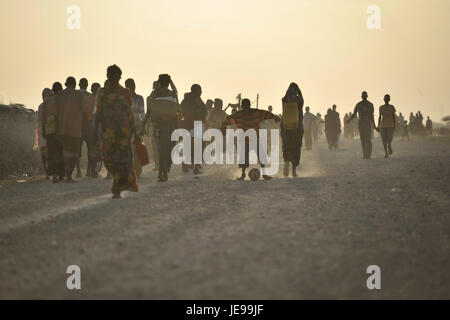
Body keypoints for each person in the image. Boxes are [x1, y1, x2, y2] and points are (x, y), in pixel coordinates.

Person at [95, 65, 140, 198]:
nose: (113, 78)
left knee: (121, 160)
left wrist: (135, 133)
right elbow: (98, 112)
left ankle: (117, 185)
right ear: (107, 76)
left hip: (123, 132)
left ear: (120, 77)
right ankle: (117, 182)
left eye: (116, 75)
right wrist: (94, 130)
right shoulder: (102, 92)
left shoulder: (125, 92)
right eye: (111, 75)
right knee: (108, 158)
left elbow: (129, 114)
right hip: (107, 131)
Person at [221, 98, 280, 180]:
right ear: (243, 106)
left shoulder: (253, 113)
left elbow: (266, 114)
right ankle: (244, 174)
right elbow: (227, 120)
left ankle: (262, 174)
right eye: (244, 106)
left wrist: (274, 117)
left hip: (255, 140)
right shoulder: (242, 114)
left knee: (261, 157)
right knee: (245, 158)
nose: (245, 108)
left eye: (246, 106)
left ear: (247, 106)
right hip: (246, 141)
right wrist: (223, 128)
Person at [141, 74, 180, 182]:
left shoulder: (154, 94)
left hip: (158, 126)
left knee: (161, 149)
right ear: (169, 83)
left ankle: (162, 171)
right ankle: (163, 171)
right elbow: (176, 111)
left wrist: (143, 125)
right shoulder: (172, 94)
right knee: (169, 148)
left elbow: (149, 110)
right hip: (170, 126)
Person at [54, 77, 86, 182]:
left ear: (66, 83)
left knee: (64, 152)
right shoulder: (79, 95)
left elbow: (54, 112)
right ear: (75, 84)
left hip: (61, 128)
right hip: (75, 128)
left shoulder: (59, 95)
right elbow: (84, 110)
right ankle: (68, 175)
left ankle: (61, 175)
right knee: (74, 153)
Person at [179, 84, 207, 174]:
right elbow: (203, 112)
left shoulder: (186, 99)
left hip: (188, 125)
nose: (201, 92)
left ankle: (188, 164)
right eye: (200, 90)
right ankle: (195, 166)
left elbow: (180, 111)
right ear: (196, 91)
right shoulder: (196, 99)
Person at [42, 82, 65, 182]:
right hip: (61, 130)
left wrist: (43, 131)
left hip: (49, 130)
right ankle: (61, 175)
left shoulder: (46, 102)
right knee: (61, 152)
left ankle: (54, 175)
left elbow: (43, 118)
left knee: (52, 153)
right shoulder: (62, 101)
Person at [280, 82, 304, 177]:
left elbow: (285, 100)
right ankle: (293, 170)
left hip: (285, 126)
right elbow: (301, 101)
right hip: (297, 127)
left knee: (286, 145)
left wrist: (288, 92)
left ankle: (286, 161)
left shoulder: (284, 99)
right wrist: (299, 92)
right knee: (296, 147)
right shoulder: (299, 99)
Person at [125, 78, 146, 178]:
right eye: (129, 86)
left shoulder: (139, 98)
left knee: (137, 148)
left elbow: (142, 113)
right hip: (125, 126)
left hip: (136, 126)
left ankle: (137, 171)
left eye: (132, 85)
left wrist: (144, 126)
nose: (131, 87)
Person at [347, 91, 376, 159]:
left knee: (368, 139)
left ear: (366, 96)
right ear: (361, 97)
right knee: (362, 139)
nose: (364, 97)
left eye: (365, 96)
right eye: (363, 96)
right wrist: (350, 119)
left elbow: (371, 116)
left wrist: (374, 125)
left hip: (367, 123)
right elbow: (354, 114)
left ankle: (368, 154)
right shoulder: (358, 104)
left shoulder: (370, 105)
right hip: (361, 124)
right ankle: (364, 154)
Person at [75, 78, 91, 178]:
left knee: (77, 150)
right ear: (87, 85)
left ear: (79, 84)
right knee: (90, 148)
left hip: (77, 125)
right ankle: (89, 170)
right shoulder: (90, 95)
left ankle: (78, 171)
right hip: (88, 125)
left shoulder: (75, 95)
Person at [35, 88, 53, 179]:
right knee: (51, 153)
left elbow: (39, 120)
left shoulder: (41, 106)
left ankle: (47, 173)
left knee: (44, 154)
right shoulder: (52, 105)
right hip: (49, 132)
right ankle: (51, 172)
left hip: (42, 133)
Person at [377, 94, 396, 158]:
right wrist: (378, 125)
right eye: (386, 99)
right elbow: (379, 117)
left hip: (390, 125)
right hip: (383, 125)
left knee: (389, 139)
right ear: (384, 100)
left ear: (389, 100)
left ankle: (389, 145)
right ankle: (386, 153)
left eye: (387, 99)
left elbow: (393, 117)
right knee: (384, 140)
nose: (387, 100)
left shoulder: (392, 107)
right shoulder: (381, 107)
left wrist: (394, 125)